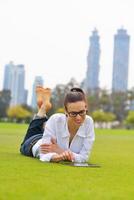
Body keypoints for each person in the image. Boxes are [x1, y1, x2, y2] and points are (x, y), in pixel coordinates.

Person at [20, 86, 95, 163]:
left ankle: (42, 107)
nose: (78, 117)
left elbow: (84, 158)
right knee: (24, 143)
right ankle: (43, 109)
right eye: (73, 113)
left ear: (86, 108)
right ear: (65, 111)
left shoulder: (89, 122)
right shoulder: (56, 119)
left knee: (40, 128)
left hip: (47, 137)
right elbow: (43, 155)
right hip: (33, 143)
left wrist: (60, 151)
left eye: (82, 112)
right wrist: (58, 157)